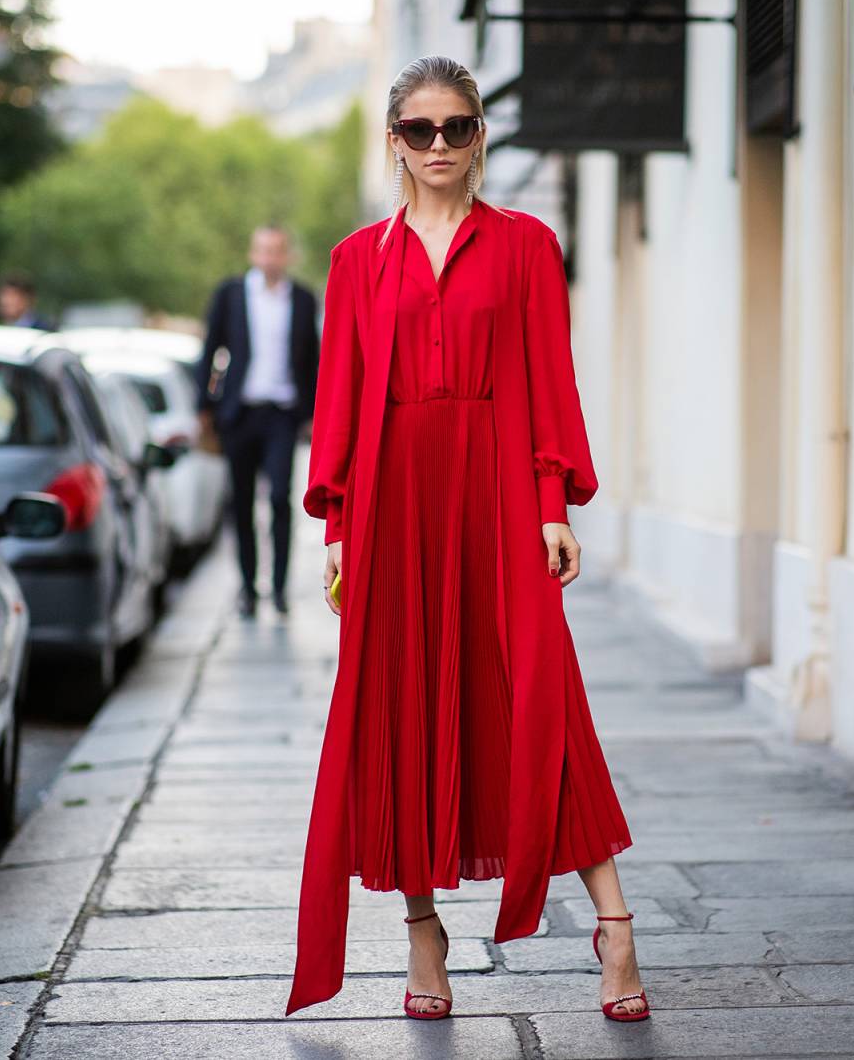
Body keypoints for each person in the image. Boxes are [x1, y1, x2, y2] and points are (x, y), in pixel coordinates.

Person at [288, 56, 649, 1024]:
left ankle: (613, 928)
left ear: (480, 133)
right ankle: (423, 933)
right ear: (394, 141)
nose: (438, 145)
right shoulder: (357, 258)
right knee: (404, 705)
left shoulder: (527, 244)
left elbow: (546, 378)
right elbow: (341, 395)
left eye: (456, 127)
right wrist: (339, 523)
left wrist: (549, 501)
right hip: (397, 496)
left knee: (543, 700)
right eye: (419, 130)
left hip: (496, 488)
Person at [195, 226, 320, 618]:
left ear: (287, 256)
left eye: (278, 251)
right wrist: (206, 407)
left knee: (281, 498)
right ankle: (249, 589)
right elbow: (209, 350)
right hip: (240, 413)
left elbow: (314, 359)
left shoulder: (302, 299)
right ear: (253, 254)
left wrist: (316, 412)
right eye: (264, 250)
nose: (270, 258)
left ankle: (279, 589)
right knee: (242, 504)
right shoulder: (230, 295)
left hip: (283, 414)